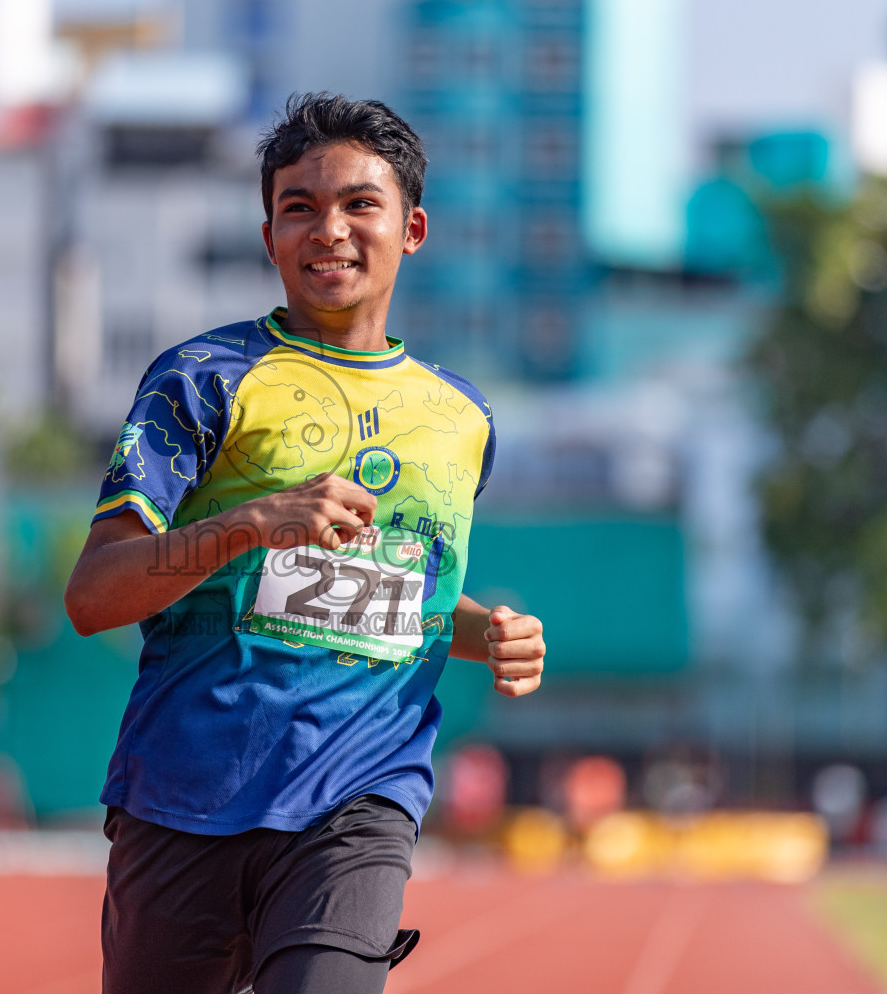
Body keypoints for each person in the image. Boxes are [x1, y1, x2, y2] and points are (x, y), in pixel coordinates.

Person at [65, 92, 547, 994]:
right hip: (184, 794)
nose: (329, 228)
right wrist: (252, 522)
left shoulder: (461, 420)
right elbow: (94, 596)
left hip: (359, 799)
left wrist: (493, 632)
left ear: (413, 229)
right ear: (270, 235)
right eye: (300, 207)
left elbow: (406, 599)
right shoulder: (201, 381)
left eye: (360, 203)